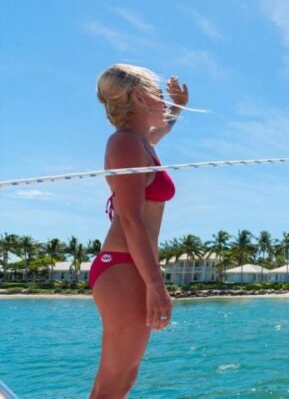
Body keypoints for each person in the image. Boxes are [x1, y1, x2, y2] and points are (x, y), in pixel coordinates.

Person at [90, 64, 188, 398]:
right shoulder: (125, 143)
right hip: (123, 266)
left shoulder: (140, 142)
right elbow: (130, 219)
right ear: (138, 97)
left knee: (121, 378)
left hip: (129, 265)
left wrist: (178, 107)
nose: (163, 100)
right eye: (158, 94)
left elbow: (163, 128)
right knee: (115, 381)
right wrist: (156, 288)